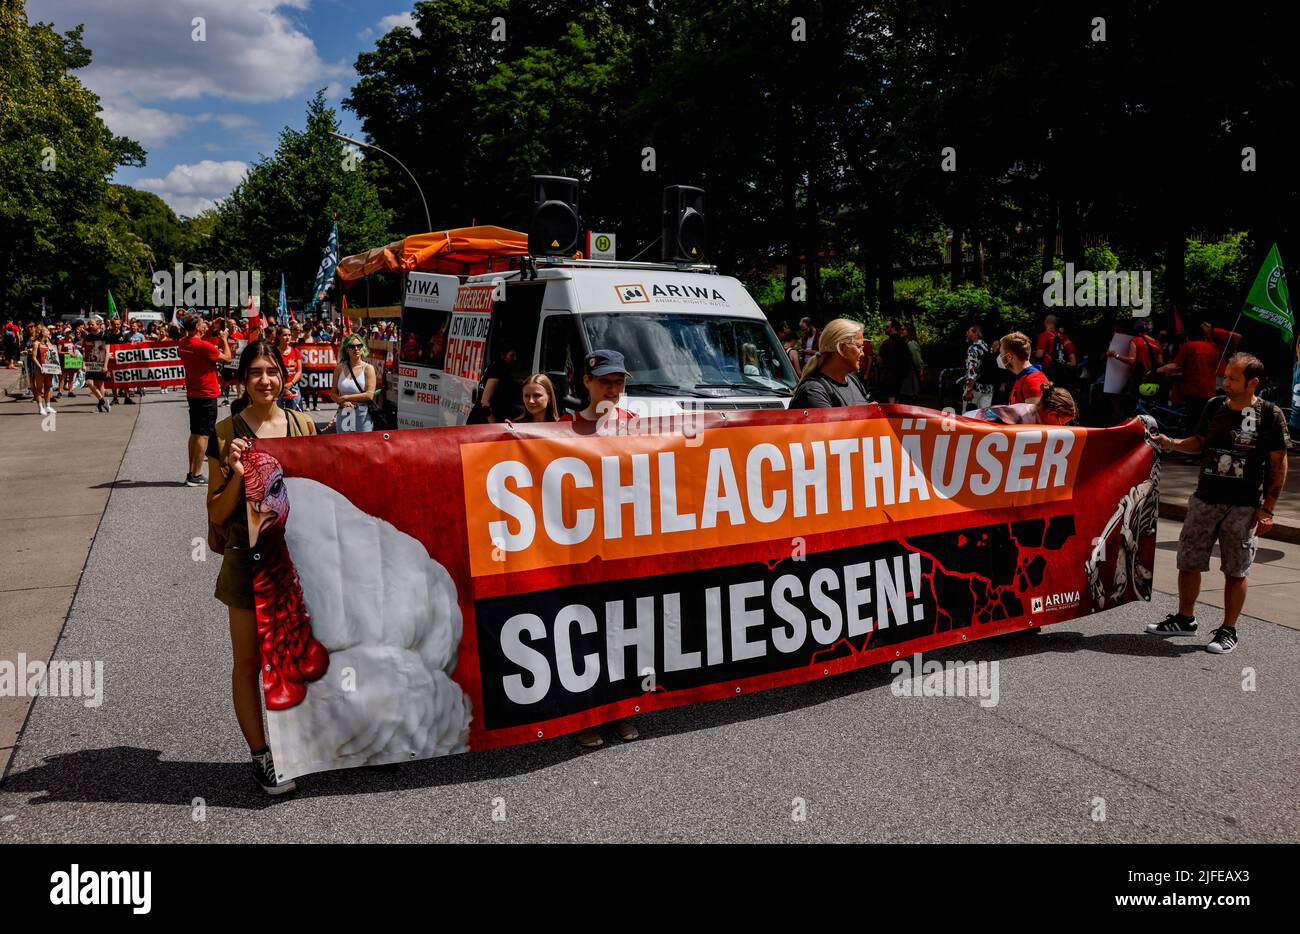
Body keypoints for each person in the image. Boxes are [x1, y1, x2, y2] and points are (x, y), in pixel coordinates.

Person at [206, 340, 317, 795]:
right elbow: (216, 512)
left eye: (272, 371)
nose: (265, 380)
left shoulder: (301, 423)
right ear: (243, 380)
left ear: (284, 377)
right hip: (245, 559)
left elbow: (318, 488)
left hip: (299, 556)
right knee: (248, 661)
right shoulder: (225, 430)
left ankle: (315, 745)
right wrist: (233, 470)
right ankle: (261, 755)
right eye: (255, 372)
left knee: (303, 650)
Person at [1148, 354, 1289, 654]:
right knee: (1188, 561)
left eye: (1232, 379)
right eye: (1225, 377)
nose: (1225, 383)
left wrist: (1268, 509)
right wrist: (1172, 443)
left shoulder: (1270, 414)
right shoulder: (1214, 406)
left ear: (1253, 383)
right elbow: (1200, 442)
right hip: (1205, 498)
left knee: (1236, 570)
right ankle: (1185, 619)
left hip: (1243, 506)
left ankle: (1228, 630)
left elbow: (1279, 463)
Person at [566, 351, 639, 746]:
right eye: (605, 381)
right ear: (587, 383)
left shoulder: (637, 426)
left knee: (622, 630)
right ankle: (585, 716)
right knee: (583, 631)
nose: (613, 388)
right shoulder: (566, 427)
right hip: (580, 549)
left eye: (619, 381)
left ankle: (621, 710)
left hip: (623, 548)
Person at [179, 314, 233, 486]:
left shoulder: (183, 343)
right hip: (207, 394)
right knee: (204, 435)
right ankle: (196, 475)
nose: (205, 326)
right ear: (196, 328)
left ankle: (191, 471)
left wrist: (212, 329)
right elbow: (227, 358)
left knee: (195, 433)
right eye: (203, 324)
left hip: (193, 393)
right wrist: (224, 339)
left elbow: (203, 341)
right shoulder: (202, 346)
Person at [1156, 325, 1221, 441]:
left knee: (1192, 423)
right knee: (1202, 423)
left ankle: (1191, 451)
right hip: (1210, 392)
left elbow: (1175, 365)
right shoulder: (1213, 349)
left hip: (1193, 390)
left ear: (1189, 336)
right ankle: (1200, 449)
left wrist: (1157, 370)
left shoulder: (1189, 345)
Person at [789, 318, 871, 409]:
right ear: (842, 348)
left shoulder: (853, 381)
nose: (862, 353)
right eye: (858, 346)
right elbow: (833, 423)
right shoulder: (814, 390)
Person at [972, 383, 1078, 426]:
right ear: (1052, 415)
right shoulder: (1018, 417)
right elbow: (981, 421)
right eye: (1063, 423)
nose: (1063, 428)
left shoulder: (1035, 416)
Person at [331, 334, 376, 432]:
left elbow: (369, 395)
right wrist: (342, 402)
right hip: (344, 411)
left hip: (362, 413)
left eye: (359, 346)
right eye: (352, 346)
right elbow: (333, 393)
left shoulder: (368, 368)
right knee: (343, 445)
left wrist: (345, 397)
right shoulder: (339, 368)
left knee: (362, 445)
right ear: (347, 349)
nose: (356, 349)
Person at [998, 331, 1049, 405]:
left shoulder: (1033, 380)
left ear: (1009, 357)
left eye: (1001, 353)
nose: (1000, 357)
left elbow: (1035, 415)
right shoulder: (1022, 376)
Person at [479, 344, 523, 423]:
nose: (515, 358)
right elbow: (485, 402)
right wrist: (493, 425)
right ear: (502, 355)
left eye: (516, 355)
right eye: (512, 355)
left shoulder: (500, 368)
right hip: (484, 422)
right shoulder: (498, 369)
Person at [876, 319, 913, 403]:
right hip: (902, 378)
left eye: (887, 327)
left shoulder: (887, 343)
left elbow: (879, 360)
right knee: (898, 401)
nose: (885, 328)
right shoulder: (904, 343)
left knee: (891, 401)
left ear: (892, 328)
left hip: (890, 377)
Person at [962, 324, 993, 413]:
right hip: (988, 387)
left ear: (976, 333)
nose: (967, 333)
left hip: (975, 388)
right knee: (984, 416)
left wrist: (969, 390)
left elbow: (972, 370)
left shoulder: (973, 348)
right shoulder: (988, 347)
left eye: (969, 331)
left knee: (968, 416)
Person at [82, 317, 110, 412]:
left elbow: (107, 352)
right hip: (90, 363)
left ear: (98, 325)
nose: (90, 326)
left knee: (100, 384)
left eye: (92, 324)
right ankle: (103, 401)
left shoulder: (104, 336)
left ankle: (100, 406)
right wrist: (83, 363)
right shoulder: (88, 337)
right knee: (89, 382)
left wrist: (105, 365)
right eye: (89, 324)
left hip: (101, 363)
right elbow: (85, 351)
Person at [276, 327, 303, 412]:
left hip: (293, 387)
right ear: (278, 336)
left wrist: (291, 384)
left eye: (289, 335)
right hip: (278, 387)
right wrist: (283, 387)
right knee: (278, 414)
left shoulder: (295, 351)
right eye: (284, 335)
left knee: (295, 414)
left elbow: (299, 371)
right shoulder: (273, 352)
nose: (288, 337)